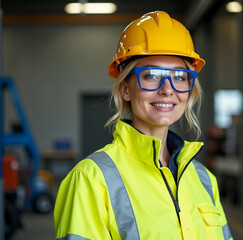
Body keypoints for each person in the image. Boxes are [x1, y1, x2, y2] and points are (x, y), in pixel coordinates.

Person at [54, 11, 232, 240]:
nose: (167, 89)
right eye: (152, 75)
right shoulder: (91, 179)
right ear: (125, 89)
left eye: (179, 77)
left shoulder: (205, 180)